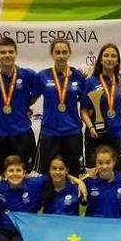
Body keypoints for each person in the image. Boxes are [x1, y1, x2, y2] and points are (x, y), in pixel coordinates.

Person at [0, 37, 37, 175]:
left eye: (10, 51)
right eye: (3, 52)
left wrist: (26, 103)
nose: (7, 55)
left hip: (22, 134)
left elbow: (39, 89)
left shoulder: (28, 75)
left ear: (16, 53)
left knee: (25, 175)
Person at [33, 38, 86, 176]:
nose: (61, 56)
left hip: (72, 132)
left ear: (69, 54)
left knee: (74, 173)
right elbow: (31, 98)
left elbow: (87, 104)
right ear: (52, 54)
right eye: (58, 52)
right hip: (50, 132)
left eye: (64, 52)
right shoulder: (42, 76)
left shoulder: (78, 76)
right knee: (47, 175)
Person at [81, 43, 121, 170]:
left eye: (113, 56)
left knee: (118, 172)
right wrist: (90, 127)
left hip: (118, 133)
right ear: (101, 60)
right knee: (96, 172)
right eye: (106, 55)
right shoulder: (91, 82)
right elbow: (83, 110)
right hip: (96, 134)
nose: (109, 58)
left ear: (117, 60)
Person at [83, 145, 121, 218]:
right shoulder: (88, 182)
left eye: (108, 162)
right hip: (94, 226)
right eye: (100, 163)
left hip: (117, 225)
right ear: (95, 163)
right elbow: (82, 204)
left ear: (114, 162)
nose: (104, 166)